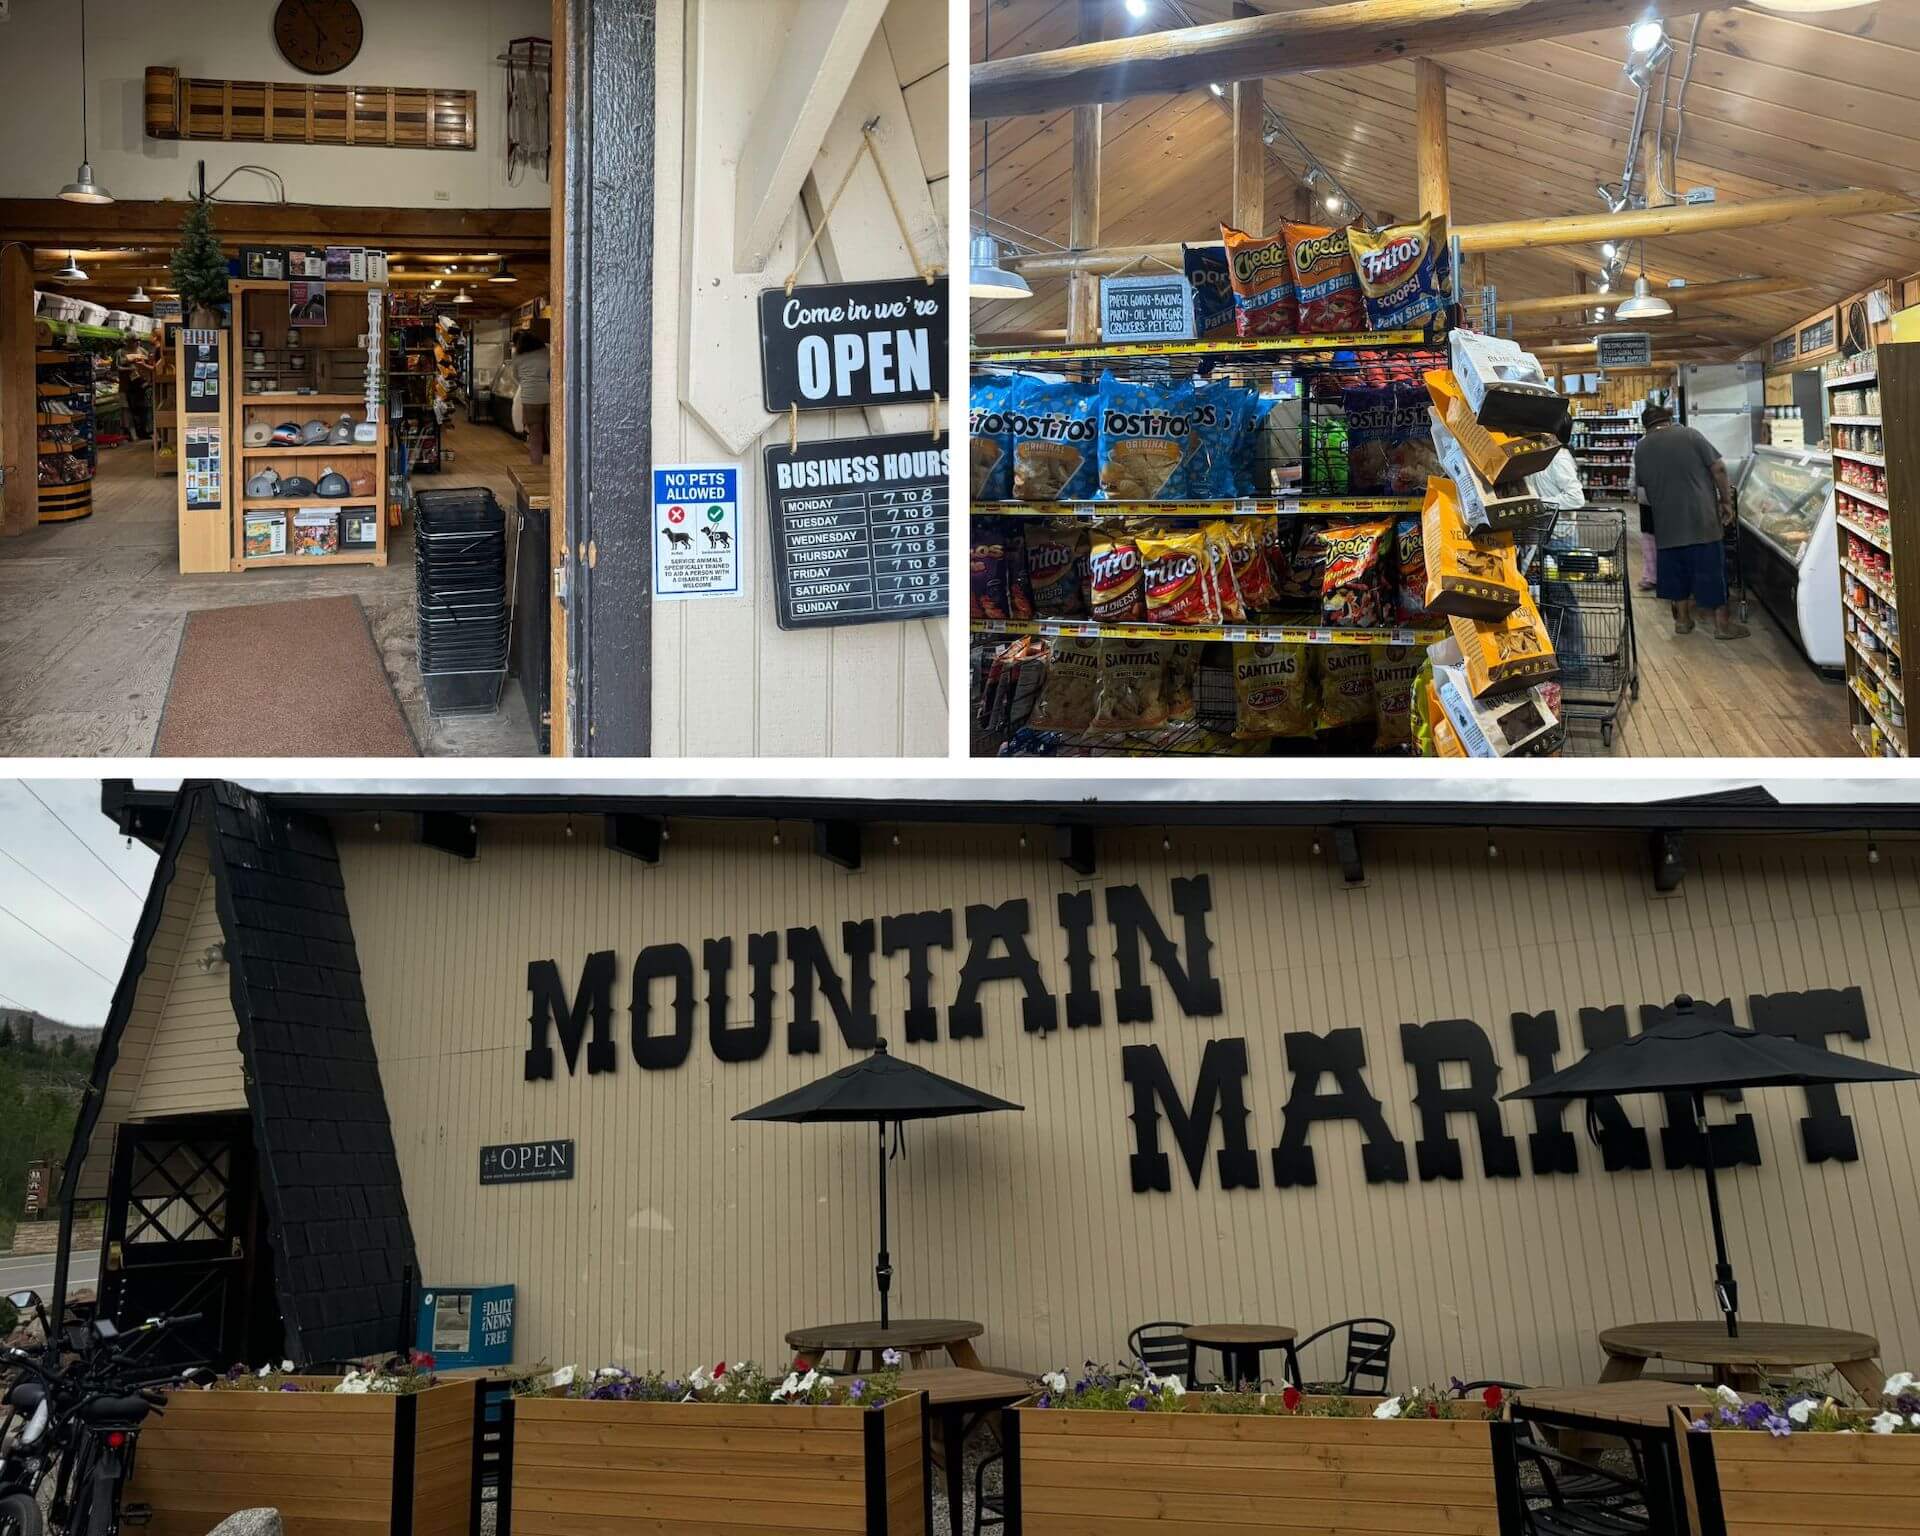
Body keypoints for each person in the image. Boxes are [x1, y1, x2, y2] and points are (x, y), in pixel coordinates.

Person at [1632, 403, 1748, 639]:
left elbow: (1642, 485)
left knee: (1676, 572)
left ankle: (1683, 621)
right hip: (1701, 518)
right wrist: (1726, 501)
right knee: (1712, 571)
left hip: (1666, 523)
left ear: (1646, 426)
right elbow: (1719, 468)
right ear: (1669, 419)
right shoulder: (1690, 435)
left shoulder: (1641, 448)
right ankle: (1722, 625)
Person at [1526, 411, 1585, 512]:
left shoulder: (1559, 459)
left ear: (1552, 434)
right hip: (1542, 523)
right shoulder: (1542, 455)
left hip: (1558, 525)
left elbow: (1576, 498)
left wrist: (1540, 503)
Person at [509, 331, 550, 467]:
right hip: (550, 397)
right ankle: (558, 470)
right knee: (554, 436)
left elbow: (516, 376)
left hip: (530, 399)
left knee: (535, 438)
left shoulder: (518, 356)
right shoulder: (547, 350)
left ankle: (536, 468)